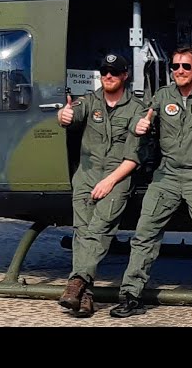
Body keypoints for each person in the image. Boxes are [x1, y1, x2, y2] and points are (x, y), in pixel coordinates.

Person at [109, 45, 192, 323]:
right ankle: (131, 294)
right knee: (144, 233)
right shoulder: (162, 96)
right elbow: (143, 121)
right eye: (176, 67)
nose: (180, 71)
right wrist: (138, 126)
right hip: (166, 175)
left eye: (186, 66)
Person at [55, 53, 148, 318]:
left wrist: (109, 181)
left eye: (115, 72)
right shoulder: (89, 101)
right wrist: (64, 115)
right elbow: (72, 116)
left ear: (125, 75)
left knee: (100, 228)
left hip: (117, 176)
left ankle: (76, 281)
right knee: (82, 232)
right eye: (105, 72)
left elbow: (133, 156)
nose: (109, 76)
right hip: (86, 175)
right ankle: (85, 296)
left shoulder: (136, 109)